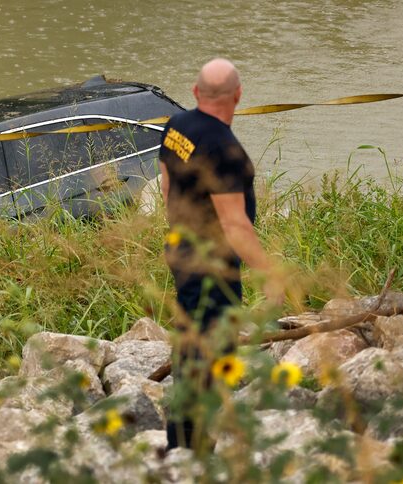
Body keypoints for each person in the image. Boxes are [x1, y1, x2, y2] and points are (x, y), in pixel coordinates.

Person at [158, 58, 283, 450]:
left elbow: (165, 183)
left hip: (181, 248)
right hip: (211, 263)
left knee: (191, 340)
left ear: (196, 93)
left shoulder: (178, 126)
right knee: (210, 349)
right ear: (238, 96)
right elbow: (235, 225)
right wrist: (269, 274)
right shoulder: (226, 150)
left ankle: (188, 437)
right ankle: (191, 445)